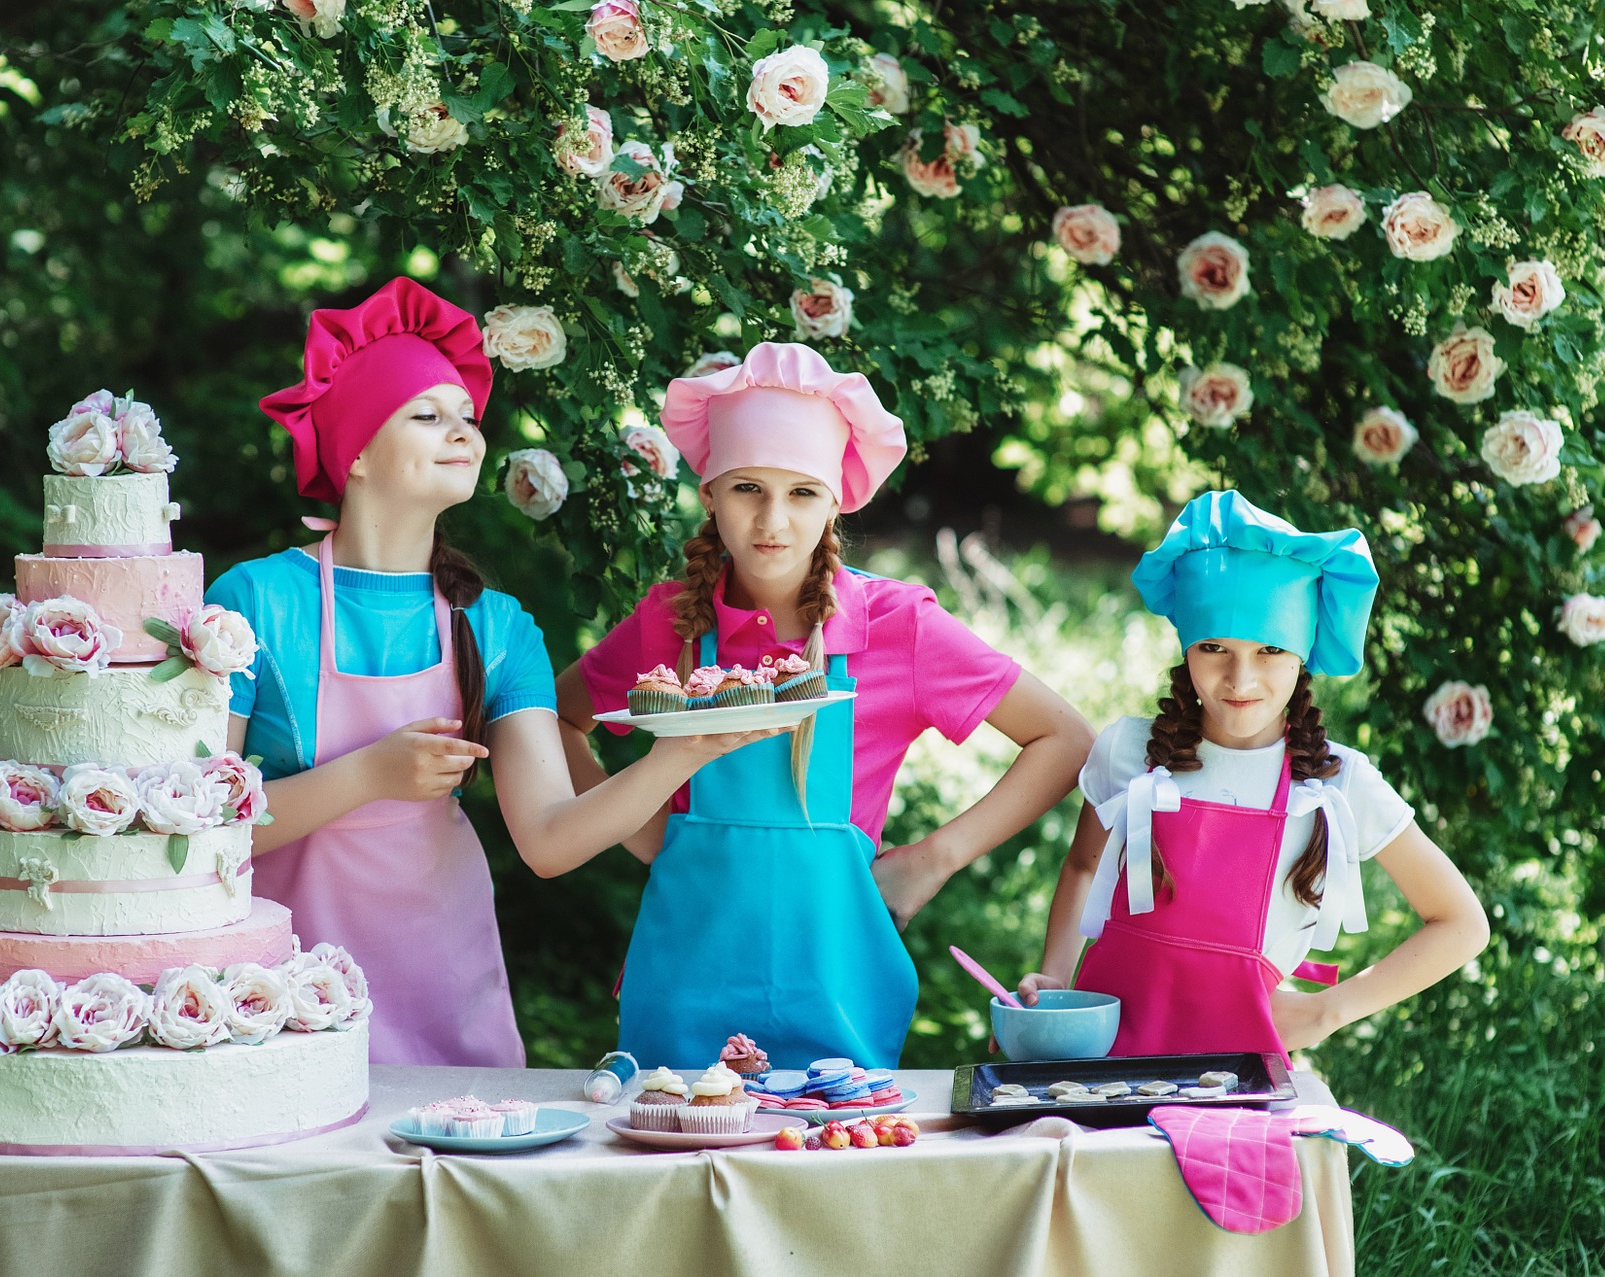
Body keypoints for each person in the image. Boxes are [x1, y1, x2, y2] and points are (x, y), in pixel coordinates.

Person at [207, 278, 776, 1066]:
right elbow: (196, 834)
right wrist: (372, 772)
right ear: (357, 451)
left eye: (468, 419)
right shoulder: (252, 603)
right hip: (280, 987)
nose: (465, 434)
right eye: (428, 415)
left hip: (440, 971)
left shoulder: (498, 626)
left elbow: (547, 840)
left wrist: (682, 753)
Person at [558, 342, 1096, 1069]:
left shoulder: (896, 627)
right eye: (747, 487)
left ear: (837, 498)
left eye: (802, 492)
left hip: (839, 995)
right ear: (710, 492)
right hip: (682, 989)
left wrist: (934, 858)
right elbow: (558, 716)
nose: (771, 519)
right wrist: (637, 824)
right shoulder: (670, 624)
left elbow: (1064, 738)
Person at [1017, 490, 1490, 1060]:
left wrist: (1325, 1011)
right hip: (1100, 1064)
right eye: (1214, 647)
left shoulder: (1339, 785)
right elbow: (1084, 864)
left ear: (1303, 655)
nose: (1241, 679)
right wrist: (1057, 980)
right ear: (1186, 650)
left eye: (1269, 650)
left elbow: (1461, 923)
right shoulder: (1126, 750)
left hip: (1237, 1080)